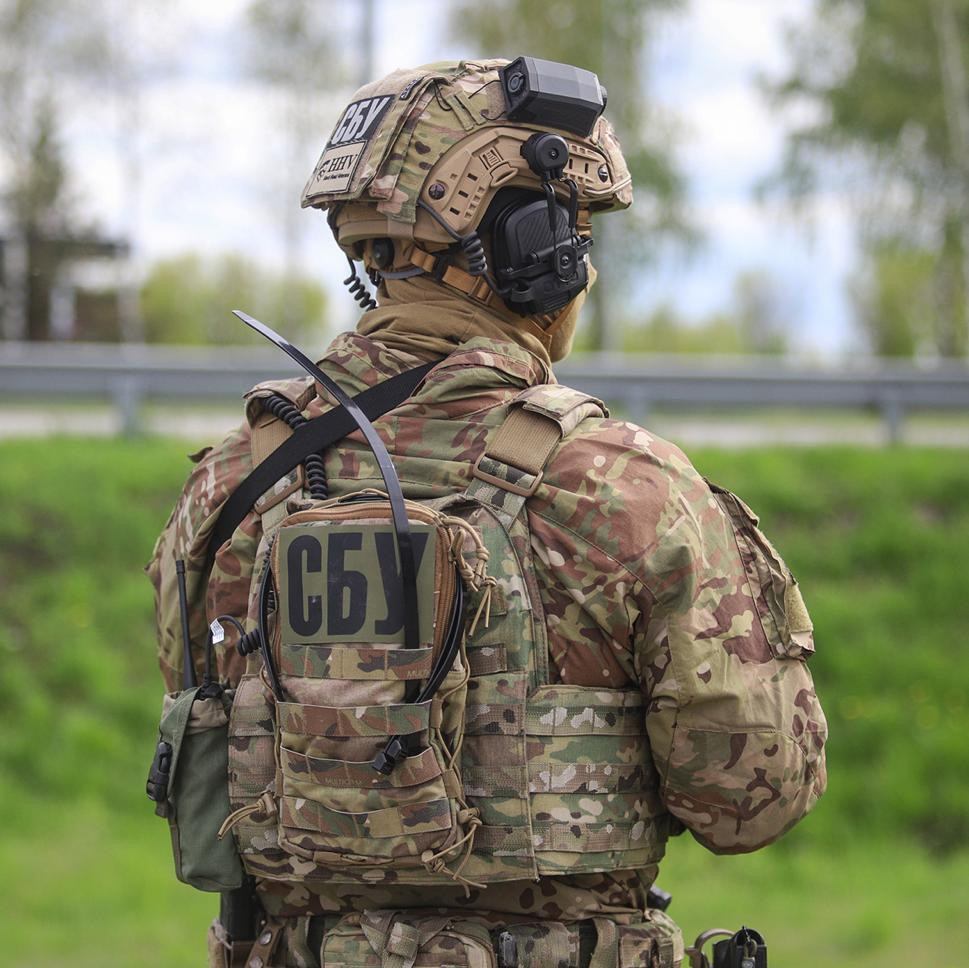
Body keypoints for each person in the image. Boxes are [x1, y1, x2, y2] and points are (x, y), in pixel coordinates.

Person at [147, 57, 827, 968]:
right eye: (576, 233)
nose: (584, 266)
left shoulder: (227, 489)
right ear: (534, 250)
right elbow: (753, 800)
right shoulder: (623, 488)